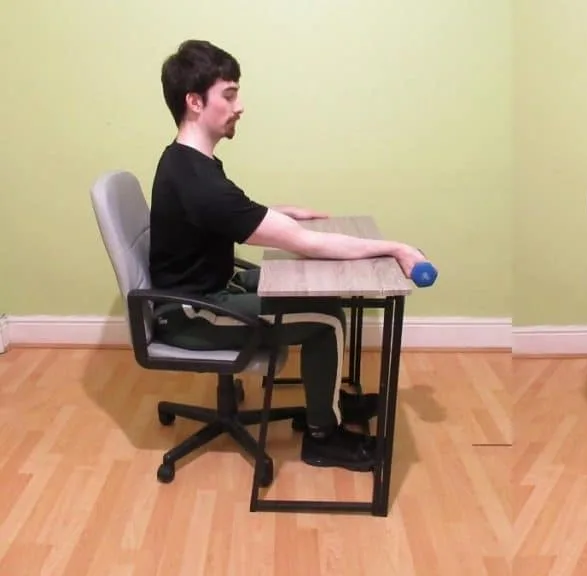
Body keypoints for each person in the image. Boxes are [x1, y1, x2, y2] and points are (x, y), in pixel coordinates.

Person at [148, 39, 428, 471]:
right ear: (194, 102)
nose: (240, 106)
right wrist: (396, 248)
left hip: (207, 288)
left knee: (320, 294)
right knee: (326, 321)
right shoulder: (199, 182)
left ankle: (329, 402)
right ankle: (323, 438)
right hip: (193, 313)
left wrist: (278, 213)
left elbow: (226, 213)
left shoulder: (188, 163)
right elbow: (307, 244)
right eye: (229, 94)